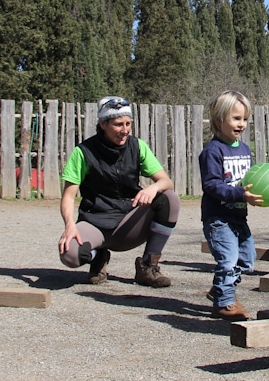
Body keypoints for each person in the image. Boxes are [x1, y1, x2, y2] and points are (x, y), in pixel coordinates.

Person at [57, 97, 179, 288]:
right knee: (70, 254)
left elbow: (166, 181)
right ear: (103, 124)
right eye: (118, 124)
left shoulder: (138, 146)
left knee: (169, 199)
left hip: (129, 222)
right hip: (96, 222)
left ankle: (148, 267)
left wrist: (153, 187)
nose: (125, 130)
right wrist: (70, 225)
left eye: (128, 124)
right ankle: (97, 258)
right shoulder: (83, 152)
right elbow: (68, 196)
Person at [199, 90, 263, 321]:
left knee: (247, 260)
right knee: (228, 259)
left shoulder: (245, 150)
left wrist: (258, 192)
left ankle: (219, 289)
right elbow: (212, 185)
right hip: (217, 218)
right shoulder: (212, 151)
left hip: (238, 216)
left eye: (245, 119)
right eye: (236, 118)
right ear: (219, 120)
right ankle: (224, 303)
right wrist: (240, 194)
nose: (242, 124)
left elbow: (249, 180)